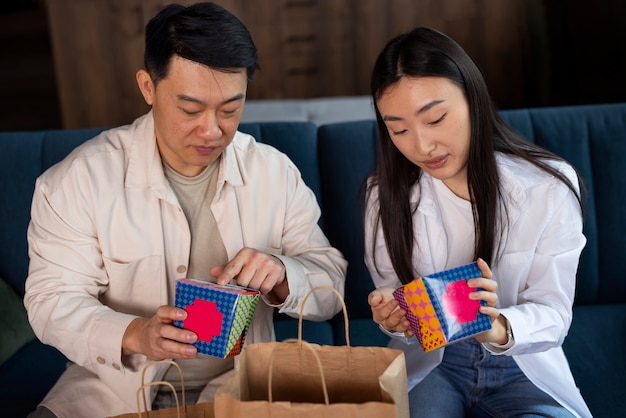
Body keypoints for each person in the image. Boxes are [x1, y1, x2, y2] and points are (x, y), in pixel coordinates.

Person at [24, 3, 347, 417]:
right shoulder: (77, 180)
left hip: (243, 387)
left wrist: (283, 275)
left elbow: (331, 286)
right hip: (110, 390)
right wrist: (135, 333)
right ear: (147, 87)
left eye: (230, 109)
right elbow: (52, 301)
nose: (212, 130)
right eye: (191, 110)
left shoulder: (273, 173)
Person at [364, 27, 592, 418]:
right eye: (399, 129)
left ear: (473, 99)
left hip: (522, 365)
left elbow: (554, 313)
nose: (421, 147)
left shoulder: (548, 187)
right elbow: (393, 293)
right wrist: (392, 315)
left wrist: (496, 325)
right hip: (435, 363)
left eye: (435, 118)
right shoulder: (384, 193)